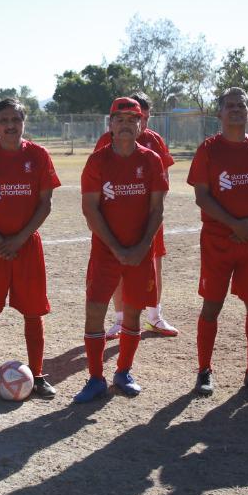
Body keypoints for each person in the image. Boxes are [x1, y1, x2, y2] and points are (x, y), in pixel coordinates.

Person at [188, 87, 248, 397]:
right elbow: (202, 195)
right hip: (219, 240)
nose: (235, 110)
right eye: (229, 106)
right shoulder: (208, 149)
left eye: (241, 105)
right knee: (211, 306)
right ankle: (204, 370)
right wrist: (234, 224)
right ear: (220, 113)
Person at [0, 98, 61, 398]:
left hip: (26, 246)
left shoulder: (39, 155)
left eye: (15, 119)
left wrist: (18, 239)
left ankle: (39, 374)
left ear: (23, 122)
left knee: (33, 312)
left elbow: (46, 203)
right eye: (3, 120)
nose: (10, 125)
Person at [74, 97, 168, 402]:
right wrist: (116, 247)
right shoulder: (98, 161)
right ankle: (95, 378)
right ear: (110, 125)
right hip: (106, 251)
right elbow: (91, 209)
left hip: (140, 252)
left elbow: (157, 210)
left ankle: (123, 372)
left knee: (133, 313)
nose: (126, 124)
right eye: (120, 119)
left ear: (141, 125)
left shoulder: (151, 160)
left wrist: (141, 247)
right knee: (95, 311)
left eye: (133, 119)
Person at [97, 93, 179, 339]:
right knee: (117, 266)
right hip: (116, 218)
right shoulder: (105, 141)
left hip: (150, 218)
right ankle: (121, 319)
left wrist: (153, 213)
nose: (135, 120)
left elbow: (164, 180)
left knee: (154, 265)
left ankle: (155, 317)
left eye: (140, 115)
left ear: (146, 116)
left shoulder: (154, 141)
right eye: (127, 116)